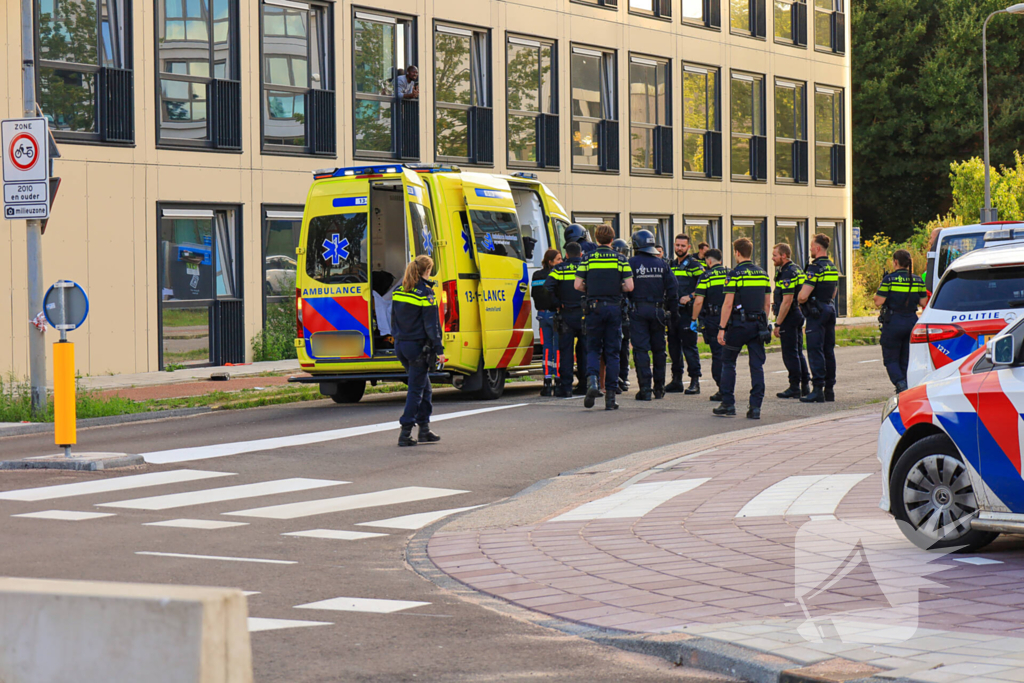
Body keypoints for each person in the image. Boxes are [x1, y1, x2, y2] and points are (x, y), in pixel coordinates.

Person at [575, 225, 634, 410]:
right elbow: (630, 286)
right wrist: (616, 289)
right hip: (614, 309)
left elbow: (577, 285)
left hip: (593, 308)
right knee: (612, 353)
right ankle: (610, 398)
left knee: (593, 349)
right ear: (612, 238)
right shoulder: (621, 259)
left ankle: (592, 382)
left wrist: (591, 290)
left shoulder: (588, 258)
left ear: (597, 238)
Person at [714, 238, 772, 419]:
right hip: (757, 325)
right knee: (757, 366)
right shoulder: (763, 273)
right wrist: (763, 322)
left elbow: (728, 304)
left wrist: (721, 328)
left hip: (738, 326)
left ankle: (728, 404)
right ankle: (755, 407)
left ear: (737, 253)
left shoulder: (734, 274)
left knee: (728, 362)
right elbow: (767, 304)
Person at [391, 255, 445, 446]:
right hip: (417, 348)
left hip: (401, 345)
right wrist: (440, 350)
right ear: (428, 270)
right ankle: (405, 433)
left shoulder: (398, 291)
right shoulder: (426, 293)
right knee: (416, 390)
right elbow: (432, 326)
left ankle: (424, 429)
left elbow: (393, 321)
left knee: (425, 387)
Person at [629, 230, 677, 401]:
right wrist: (671, 312)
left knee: (641, 350)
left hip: (638, 310)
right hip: (658, 310)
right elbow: (673, 289)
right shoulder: (662, 263)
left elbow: (625, 286)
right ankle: (659, 388)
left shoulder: (632, 263)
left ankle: (645, 390)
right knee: (659, 350)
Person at [875, 249, 928, 393]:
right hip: (912, 321)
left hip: (893, 322)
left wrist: (882, 285)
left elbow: (878, 301)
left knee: (891, 358)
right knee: (906, 359)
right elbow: (924, 302)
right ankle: (906, 387)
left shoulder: (889, 279)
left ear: (896, 262)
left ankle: (900, 383)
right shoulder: (917, 279)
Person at [798, 234, 840, 403]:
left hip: (817, 312)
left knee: (815, 350)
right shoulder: (832, 267)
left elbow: (803, 295)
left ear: (817, 248)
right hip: (830, 308)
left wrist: (800, 299)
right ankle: (829, 390)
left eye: (811, 246)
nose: (810, 249)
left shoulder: (814, 268)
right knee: (828, 350)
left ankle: (817, 390)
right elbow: (834, 291)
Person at [546, 241, 587, 398]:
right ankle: (584, 385)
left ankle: (566, 388)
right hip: (584, 314)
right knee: (584, 351)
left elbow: (547, 287)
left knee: (566, 352)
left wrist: (557, 303)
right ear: (581, 254)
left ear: (567, 255)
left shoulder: (559, 268)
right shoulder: (586, 267)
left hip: (567, 314)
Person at [666, 234, 705, 394]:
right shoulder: (671, 265)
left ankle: (695, 381)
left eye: (683, 246)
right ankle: (676, 380)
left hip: (688, 313)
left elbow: (704, 285)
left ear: (689, 247)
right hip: (673, 313)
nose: (679, 248)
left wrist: (690, 296)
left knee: (689, 348)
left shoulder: (695, 265)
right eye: (677, 245)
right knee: (673, 348)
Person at [771, 243, 811, 399]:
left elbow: (786, 301)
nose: (773, 258)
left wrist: (778, 323)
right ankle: (805, 384)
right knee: (797, 351)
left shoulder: (787, 273)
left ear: (784, 256)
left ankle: (795, 386)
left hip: (789, 315)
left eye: (775, 255)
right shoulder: (797, 269)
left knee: (789, 353)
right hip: (798, 314)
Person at [691, 248, 727, 402]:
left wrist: (694, 319)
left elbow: (698, 301)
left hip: (713, 319)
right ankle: (728, 386)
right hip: (730, 318)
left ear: (709, 260)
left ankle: (722, 388)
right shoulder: (730, 273)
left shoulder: (706, 276)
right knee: (728, 355)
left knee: (717, 354)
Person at [532, 249, 562, 396]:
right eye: (558, 259)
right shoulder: (556, 274)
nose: (561, 262)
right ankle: (558, 382)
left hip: (542, 316)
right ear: (550, 262)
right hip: (555, 315)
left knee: (546, 349)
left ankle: (546, 382)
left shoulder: (536, 275)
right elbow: (556, 294)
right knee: (557, 349)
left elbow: (535, 295)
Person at [612, 238, 632, 393]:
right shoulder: (623, 265)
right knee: (621, 348)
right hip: (621, 312)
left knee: (620, 347)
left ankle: (621, 377)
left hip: (620, 311)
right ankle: (621, 378)